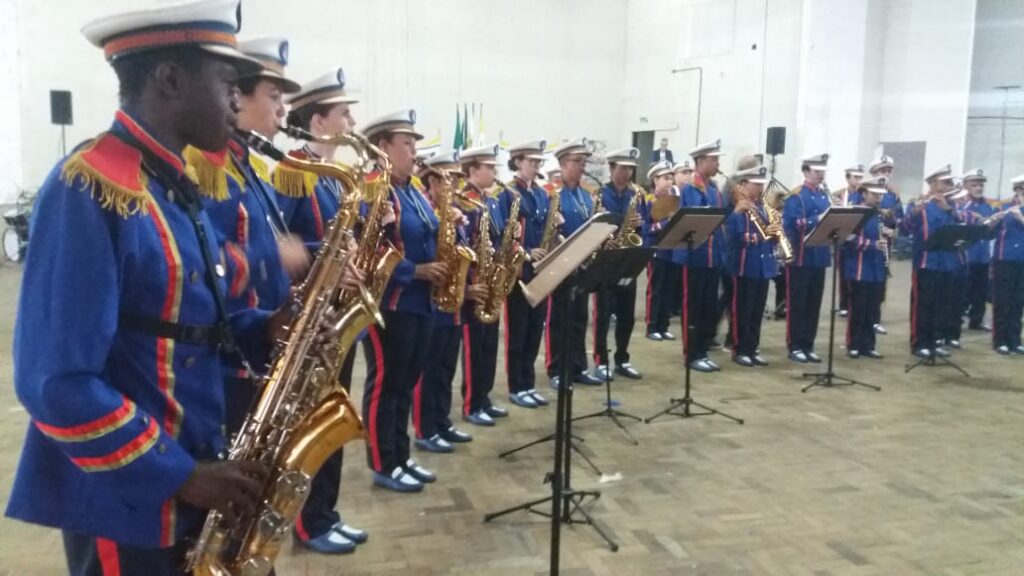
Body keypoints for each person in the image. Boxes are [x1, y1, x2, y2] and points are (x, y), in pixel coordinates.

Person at [5, 1, 282, 572]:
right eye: (228, 82)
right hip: (129, 496)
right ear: (171, 78)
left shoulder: (173, 181)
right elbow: (53, 381)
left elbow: (195, 324)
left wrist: (269, 329)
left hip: (194, 468)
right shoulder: (92, 185)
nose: (237, 100)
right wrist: (178, 474)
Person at [267, 66, 370, 553]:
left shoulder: (333, 176)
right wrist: (320, 263)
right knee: (310, 420)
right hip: (309, 314)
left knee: (333, 411)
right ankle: (308, 523)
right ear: (319, 120)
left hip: (337, 313)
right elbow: (278, 243)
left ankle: (326, 512)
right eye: (344, 112)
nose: (352, 120)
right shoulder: (293, 170)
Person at [361, 110, 445, 493]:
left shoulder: (412, 190)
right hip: (392, 303)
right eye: (407, 144)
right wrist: (416, 271)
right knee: (387, 383)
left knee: (408, 380)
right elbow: (370, 252)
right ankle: (383, 462)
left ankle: (402, 455)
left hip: (422, 303)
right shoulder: (374, 189)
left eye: (415, 144)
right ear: (383, 147)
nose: (414, 152)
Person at [412, 149, 480, 450]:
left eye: (455, 180)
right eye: (448, 181)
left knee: (445, 369)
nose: (453, 188)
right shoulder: (426, 210)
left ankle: (442, 421)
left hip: (453, 305)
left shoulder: (452, 214)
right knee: (428, 372)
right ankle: (426, 430)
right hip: (432, 303)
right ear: (434, 183)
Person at [458, 144, 513, 424]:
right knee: (474, 347)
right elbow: (461, 247)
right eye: (489, 167)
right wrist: (468, 285)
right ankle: (471, 404)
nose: (494, 172)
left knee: (489, 345)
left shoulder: (491, 200)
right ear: (472, 170)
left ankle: (485, 397)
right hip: (474, 283)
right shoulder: (463, 201)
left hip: (492, 280)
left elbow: (499, 236)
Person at [546, 137, 604, 388]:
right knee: (559, 318)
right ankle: (557, 369)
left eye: (583, 162)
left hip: (582, 264)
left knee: (580, 317)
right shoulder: (551, 193)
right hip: (559, 264)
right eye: (577, 162)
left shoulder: (587, 194)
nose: (582, 167)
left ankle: (578, 366)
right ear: (562, 163)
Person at [502, 140, 554, 409]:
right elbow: (502, 233)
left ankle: (529, 383)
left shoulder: (543, 195)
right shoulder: (507, 194)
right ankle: (516, 385)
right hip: (519, 271)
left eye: (538, 162)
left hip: (540, 270)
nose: (535, 166)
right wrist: (525, 251)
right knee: (518, 331)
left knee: (535, 329)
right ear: (517, 161)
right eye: (531, 161)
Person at [590, 147, 645, 380]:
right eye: (622, 167)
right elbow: (595, 226)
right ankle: (601, 360)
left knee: (627, 315)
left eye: (630, 168)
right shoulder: (600, 194)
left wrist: (639, 223)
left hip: (628, 258)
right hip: (606, 260)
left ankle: (622, 358)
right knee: (603, 314)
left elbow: (645, 228)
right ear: (612, 168)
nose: (627, 172)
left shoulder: (637, 194)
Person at [902, 165, 962, 358]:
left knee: (942, 304)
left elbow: (962, 227)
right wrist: (915, 212)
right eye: (946, 182)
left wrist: (949, 209)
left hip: (947, 262)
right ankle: (919, 343)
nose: (950, 185)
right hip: (925, 263)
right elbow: (904, 229)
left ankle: (935, 341)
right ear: (933, 184)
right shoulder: (920, 203)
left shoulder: (951, 205)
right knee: (923, 304)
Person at [679, 139, 728, 372]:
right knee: (694, 307)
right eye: (714, 159)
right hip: (696, 256)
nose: (717, 163)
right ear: (700, 162)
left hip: (713, 256)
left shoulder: (713, 188)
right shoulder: (692, 187)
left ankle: (703, 349)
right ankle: (692, 353)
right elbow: (698, 217)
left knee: (709, 306)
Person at [723, 166, 777, 367]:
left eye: (761, 183)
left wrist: (775, 234)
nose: (760, 187)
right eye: (756, 183)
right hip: (743, 266)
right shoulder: (736, 209)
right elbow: (733, 237)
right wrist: (763, 234)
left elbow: (769, 237)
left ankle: (753, 347)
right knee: (742, 310)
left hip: (762, 266)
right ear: (743, 185)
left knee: (756, 310)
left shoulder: (763, 207)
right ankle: (739, 349)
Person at [783, 153, 831, 363]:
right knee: (798, 304)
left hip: (819, 256)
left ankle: (808, 344)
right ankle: (795, 345)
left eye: (822, 171)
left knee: (814, 303)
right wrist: (818, 219)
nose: (820, 174)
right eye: (816, 170)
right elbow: (792, 224)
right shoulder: (796, 196)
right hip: (801, 258)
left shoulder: (823, 195)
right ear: (806, 171)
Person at [843, 176, 890, 359]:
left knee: (872, 309)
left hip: (876, 268)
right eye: (874, 194)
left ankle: (868, 345)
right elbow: (848, 238)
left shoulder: (878, 214)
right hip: (859, 268)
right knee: (858, 309)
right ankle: (853, 344)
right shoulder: (856, 212)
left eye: (880, 195)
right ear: (864, 193)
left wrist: (887, 234)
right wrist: (871, 244)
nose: (878, 198)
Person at [867, 154, 904, 335]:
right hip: (866, 245)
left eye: (888, 170)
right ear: (873, 172)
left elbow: (900, 220)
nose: (886, 173)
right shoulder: (865, 191)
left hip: (884, 245)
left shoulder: (893, 195)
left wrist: (892, 224)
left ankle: (875, 318)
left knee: (880, 283)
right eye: (882, 170)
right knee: (865, 285)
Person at [644, 161, 680, 341]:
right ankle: (652, 325)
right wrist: (667, 222)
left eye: (671, 178)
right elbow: (646, 227)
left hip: (671, 248)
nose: (669, 182)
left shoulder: (674, 200)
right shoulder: (648, 201)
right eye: (665, 178)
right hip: (656, 249)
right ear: (655, 180)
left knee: (669, 288)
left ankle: (664, 325)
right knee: (656, 288)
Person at [990, 175, 1024, 355]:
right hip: (1004, 261)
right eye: (1020, 189)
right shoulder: (1003, 208)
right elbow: (988, 233)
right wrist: (992, 221)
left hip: (1022, 261)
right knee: (1003, 301)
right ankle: (1000, 340)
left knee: (1018, 302)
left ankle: (1014, 339)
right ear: (1017, 190)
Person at [959, 169, 995, 332]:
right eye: (974, 185)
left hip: (983, 256)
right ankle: (956, 321)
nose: (979, 188)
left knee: (981, 291)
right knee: (964, 291)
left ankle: (977, 320)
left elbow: (991, 232)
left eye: (980, 185)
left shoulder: (988, 206)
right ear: (966, 185)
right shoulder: (961, 205)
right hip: (967, 255)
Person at [834, 163, 865, 316]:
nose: (859, 180)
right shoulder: (840, 195)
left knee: (859, 275)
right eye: (856, 177)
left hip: (861, 239)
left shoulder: (863, 195)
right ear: (848, 178)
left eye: (861, 177)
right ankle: (844, 304)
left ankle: (855, 304)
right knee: (844, 273)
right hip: (844, 240)